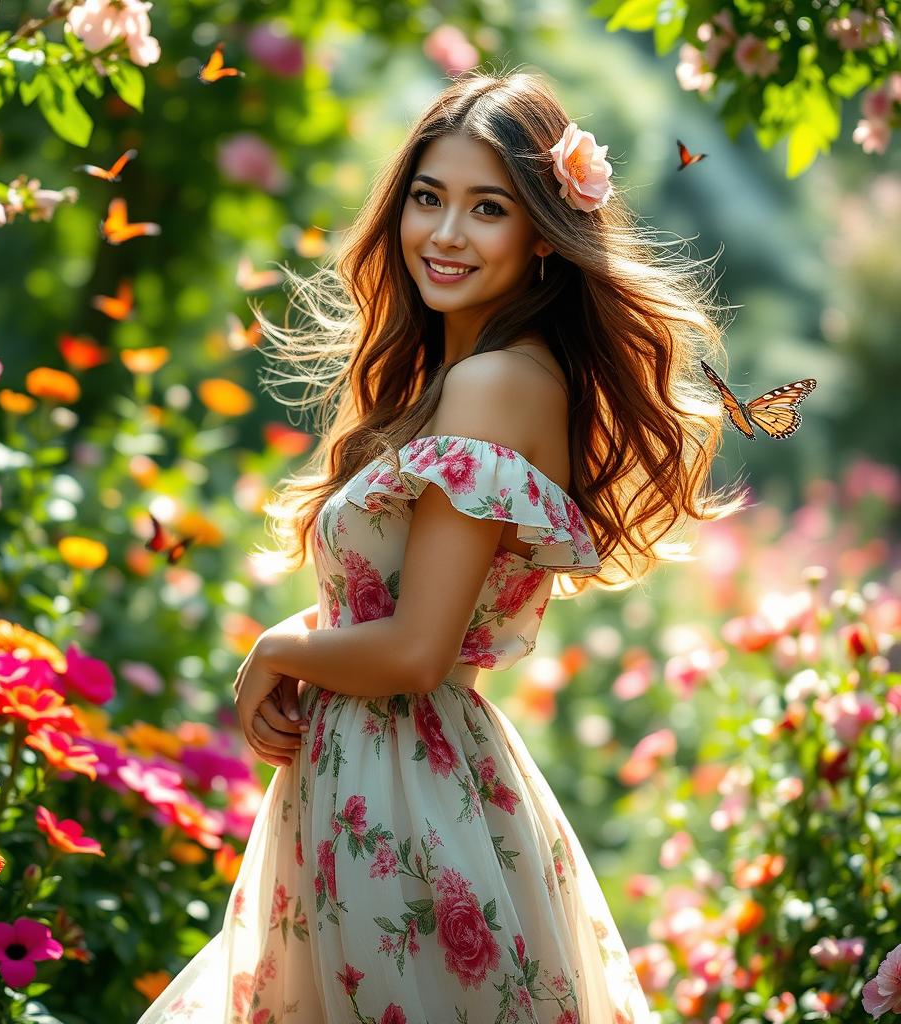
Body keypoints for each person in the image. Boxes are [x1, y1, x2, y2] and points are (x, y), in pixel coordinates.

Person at [137, 68, 747, 1024]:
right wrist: (310, 633)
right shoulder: (474, 377)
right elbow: (416, 613)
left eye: (487, 208)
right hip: (387, 786)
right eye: (428, 198)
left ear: (544, 234)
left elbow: (420, 653)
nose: (446, 233)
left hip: (404, 802)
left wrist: (276, 649)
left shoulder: (494, 383)